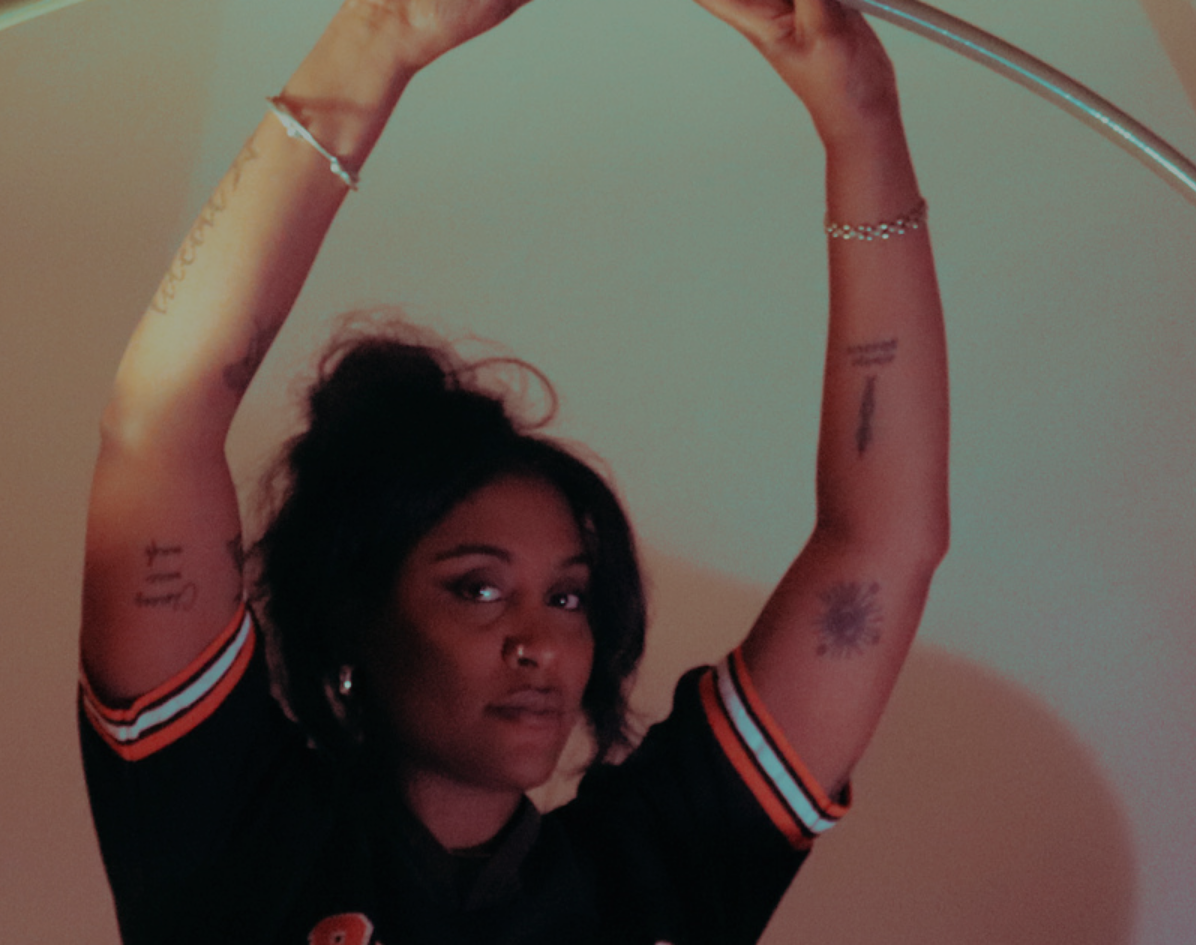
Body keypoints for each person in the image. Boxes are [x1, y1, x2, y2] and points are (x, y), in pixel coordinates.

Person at [77, 0, 947, 940]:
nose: (540, 643)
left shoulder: (655, 866)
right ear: (354, 613)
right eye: (478, 588)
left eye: (568, 597)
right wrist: (381, 36)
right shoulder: (232, 830)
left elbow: (882, 540)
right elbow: (159, 425)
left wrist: (860, 118)